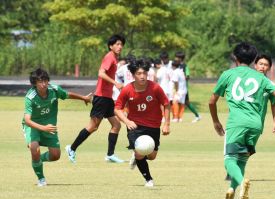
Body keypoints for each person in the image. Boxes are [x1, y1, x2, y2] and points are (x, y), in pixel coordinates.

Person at [208, 42, 275, 199]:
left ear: (235, 57)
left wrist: (215, 121)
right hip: (256, 125)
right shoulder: (260, 77)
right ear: (253, 60)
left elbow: (212, 101)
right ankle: (232, 190)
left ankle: (242, 181)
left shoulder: (228, 74)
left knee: (229, 160)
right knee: (242, 160)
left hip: (237, 123)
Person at [22, 68, 91, 186]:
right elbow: (27, 120)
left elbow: (67, 95)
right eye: (40, 82)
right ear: (34, 83)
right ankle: (41, 179)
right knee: (34, 148)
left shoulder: (53, 89)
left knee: (55, 156)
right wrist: (43, 128)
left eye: (45, 81)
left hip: (50, 127)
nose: (44, 84)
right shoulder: (30, 97)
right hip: (33, 125)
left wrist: (83, 98)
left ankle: (37, 160)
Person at [65, 34, 126, 163]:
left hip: (107, 98)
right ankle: (71, 148)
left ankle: (110, 155)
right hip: (101, 97)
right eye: (117, 44)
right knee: (93, 127)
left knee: (116, 125)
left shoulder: (114, 58)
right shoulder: (109, 57)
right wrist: (116, 83)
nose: (120, 47)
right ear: (111, 46)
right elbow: (101, 73)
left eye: (121, 44)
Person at [114, 58, 170, 187]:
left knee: (152, 156)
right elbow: (117, 108)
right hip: (135, 126)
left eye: (144, 73)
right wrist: (127, 121)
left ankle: (137, 156)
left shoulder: (155, 88)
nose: (142, 76)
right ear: (133, 75)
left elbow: (166, 104)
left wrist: (167, 123)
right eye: (139, 74)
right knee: (140, 153)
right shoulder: (127, 89)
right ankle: (148, 180)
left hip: (153, 126)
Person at [175, 51, 201, 123]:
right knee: (183, 102)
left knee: (186, 102)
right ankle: (178, 117)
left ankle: (197, 115)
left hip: (183, 88)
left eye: (176, 57)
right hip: (179, 88)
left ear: (180, 58)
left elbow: (188, 76)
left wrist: (183, 77)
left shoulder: (185, 66)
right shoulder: (177, 66)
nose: (175, 58)